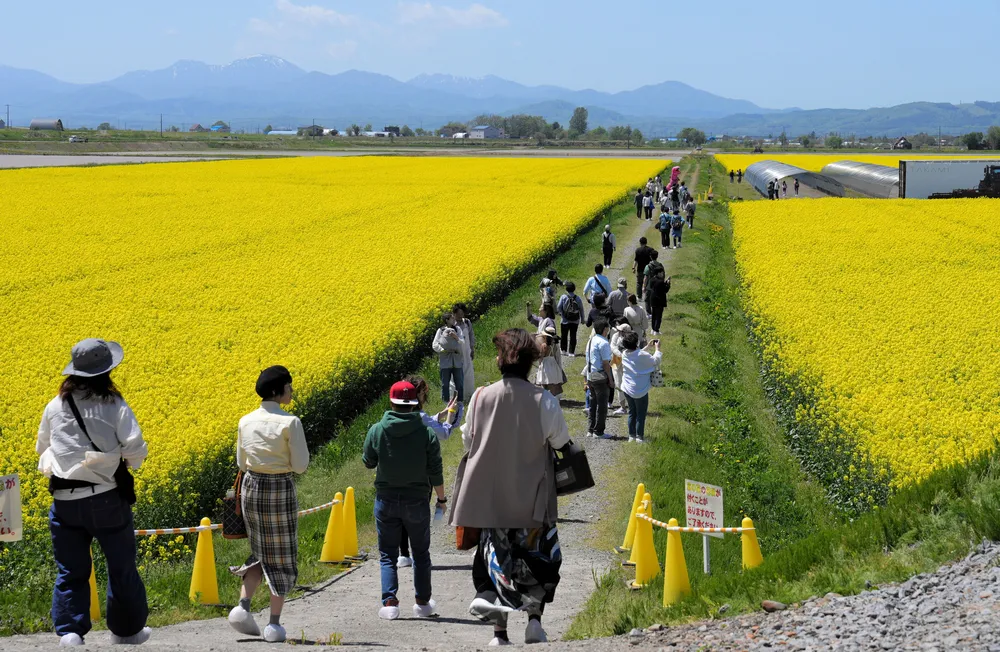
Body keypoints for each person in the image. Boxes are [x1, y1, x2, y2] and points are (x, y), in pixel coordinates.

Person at [450, 329, 571, 646]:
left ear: (500, 361)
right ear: (530, 363)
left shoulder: (480, 397)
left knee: (495, 560)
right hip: (532, 501)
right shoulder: (544, 401)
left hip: (492, 502)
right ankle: (534, 624)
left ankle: (499, 634)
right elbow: (561, 442)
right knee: (536, 561)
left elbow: (468, 441)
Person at [37, 338, 151, 647]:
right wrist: (123, 463)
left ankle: (70, 633)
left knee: (70, 570)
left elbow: (42, 447)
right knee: (121, 565)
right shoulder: (113, 404)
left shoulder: (55, 405)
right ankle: (126, 632)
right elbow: (135, 447)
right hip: (105, 498)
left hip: (64, 501)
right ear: (106, 371)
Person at [230, 365, 310, 643]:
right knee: (281, 555)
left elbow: (241, 463)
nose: (292, 391)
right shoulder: (290, 422)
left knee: (259, 550)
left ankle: (242, 608)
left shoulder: (245, 420)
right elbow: (300, 466)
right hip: (279, 488)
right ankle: (274, 624)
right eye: (289, 386)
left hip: (251, 488)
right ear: (278, 391)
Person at [363, 380, 445, 621]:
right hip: (417, 500)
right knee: (421, 553)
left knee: (387, 554)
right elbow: (436, 470)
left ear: (391, 402)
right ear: (415, 403)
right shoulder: (426, 433)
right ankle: (422, 603)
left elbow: (368, 461)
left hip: (386, 499)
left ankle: (390, 603)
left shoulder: (377, 430)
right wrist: (441, 499)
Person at [396, 375, 461, 567]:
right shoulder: (421, 418)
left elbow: (426, 421)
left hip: (399, 471)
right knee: (419, 514)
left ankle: (403, 554)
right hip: (421, 473)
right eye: (424, 393)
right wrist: (450, 415)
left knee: (402, 514)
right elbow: (444, 433)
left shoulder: (399, 415)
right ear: (419, 395)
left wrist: (440, 414)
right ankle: (420, 554)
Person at [621, 333, 662, 443]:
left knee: (632, 412)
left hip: (627, 388)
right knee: (640, 414)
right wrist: (657, 349)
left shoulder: (624, 353)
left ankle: (631, 436)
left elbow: (637, 354)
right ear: (636, 343)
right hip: (640, 390)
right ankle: (639, 437)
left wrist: (648, 347)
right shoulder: (642, 355)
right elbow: (655, 361)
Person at [584, 318, 615, 438]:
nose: (608, 331)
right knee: (602, 406)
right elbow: (606, 364)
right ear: (604, 329)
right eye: (607, 329)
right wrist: (610, 380)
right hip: (600, 377)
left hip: (590, 376)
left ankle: (590, 429)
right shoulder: (604, 343)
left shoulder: (591, 340)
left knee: (593, 404)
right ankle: (599, 432)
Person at [432, 313, 465, 404]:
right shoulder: (440, 330)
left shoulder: (457, 329)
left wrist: (456, 337)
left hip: (457, 359)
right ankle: (446, 402)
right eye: (452, 318)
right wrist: (443, 350)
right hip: (445, 360)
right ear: (447, 320)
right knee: (445, 384)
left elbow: (462, 342)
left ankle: (460, 401)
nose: (454, 320)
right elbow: (435, 344)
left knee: (459, 383)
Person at [452, 303, 476, 406]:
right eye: (458, 314)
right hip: (457, 352)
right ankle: (458, 398)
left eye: (462, 314)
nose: (460, 316)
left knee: (468, 372)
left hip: (467, 351)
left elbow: (471, 335)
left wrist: (472, 349)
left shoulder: (467, 322)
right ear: (454, 314)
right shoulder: (451, 325)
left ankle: (469, 395)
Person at [535, 325, 567, 395]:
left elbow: (541, 357)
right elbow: (557, 356)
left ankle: (544, 398)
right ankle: (553, 398)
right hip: (553, 364)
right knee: (552, 384)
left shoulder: (544, 345)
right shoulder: (555, 344)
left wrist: (539, 365)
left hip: (546, 365)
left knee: (543, 383)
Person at [556, 281, 585, 357]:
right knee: (573, 335)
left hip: (564, 320)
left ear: (566, 289)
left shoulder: (563, 297)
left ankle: (563, 350)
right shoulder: (578, 298)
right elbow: (581, 309)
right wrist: (582, 319)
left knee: (564, 335)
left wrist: (562, 314)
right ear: (574, 289)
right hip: (575, 320)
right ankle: (571, 352)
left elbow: (558, 308)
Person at [610, 323, 631, 416]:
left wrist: (625, 356)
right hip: (616, 360)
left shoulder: (632, 337)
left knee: (629, 383)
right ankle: (622, 407)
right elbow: (612, 346)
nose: (618, 332)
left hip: (628, 362)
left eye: (620, 331)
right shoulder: (615, 335)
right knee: (618, 382)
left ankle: (631, 405)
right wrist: (620, 354)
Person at [642, 250, 663, 315]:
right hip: (658, 286)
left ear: (650, 257)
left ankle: (649, 313)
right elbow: (663, 276)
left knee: (647, 300)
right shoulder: (660, 265)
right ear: (657, 256)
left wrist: (644, 286)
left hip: (649, 286)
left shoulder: (648, 266)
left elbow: (645, 277)